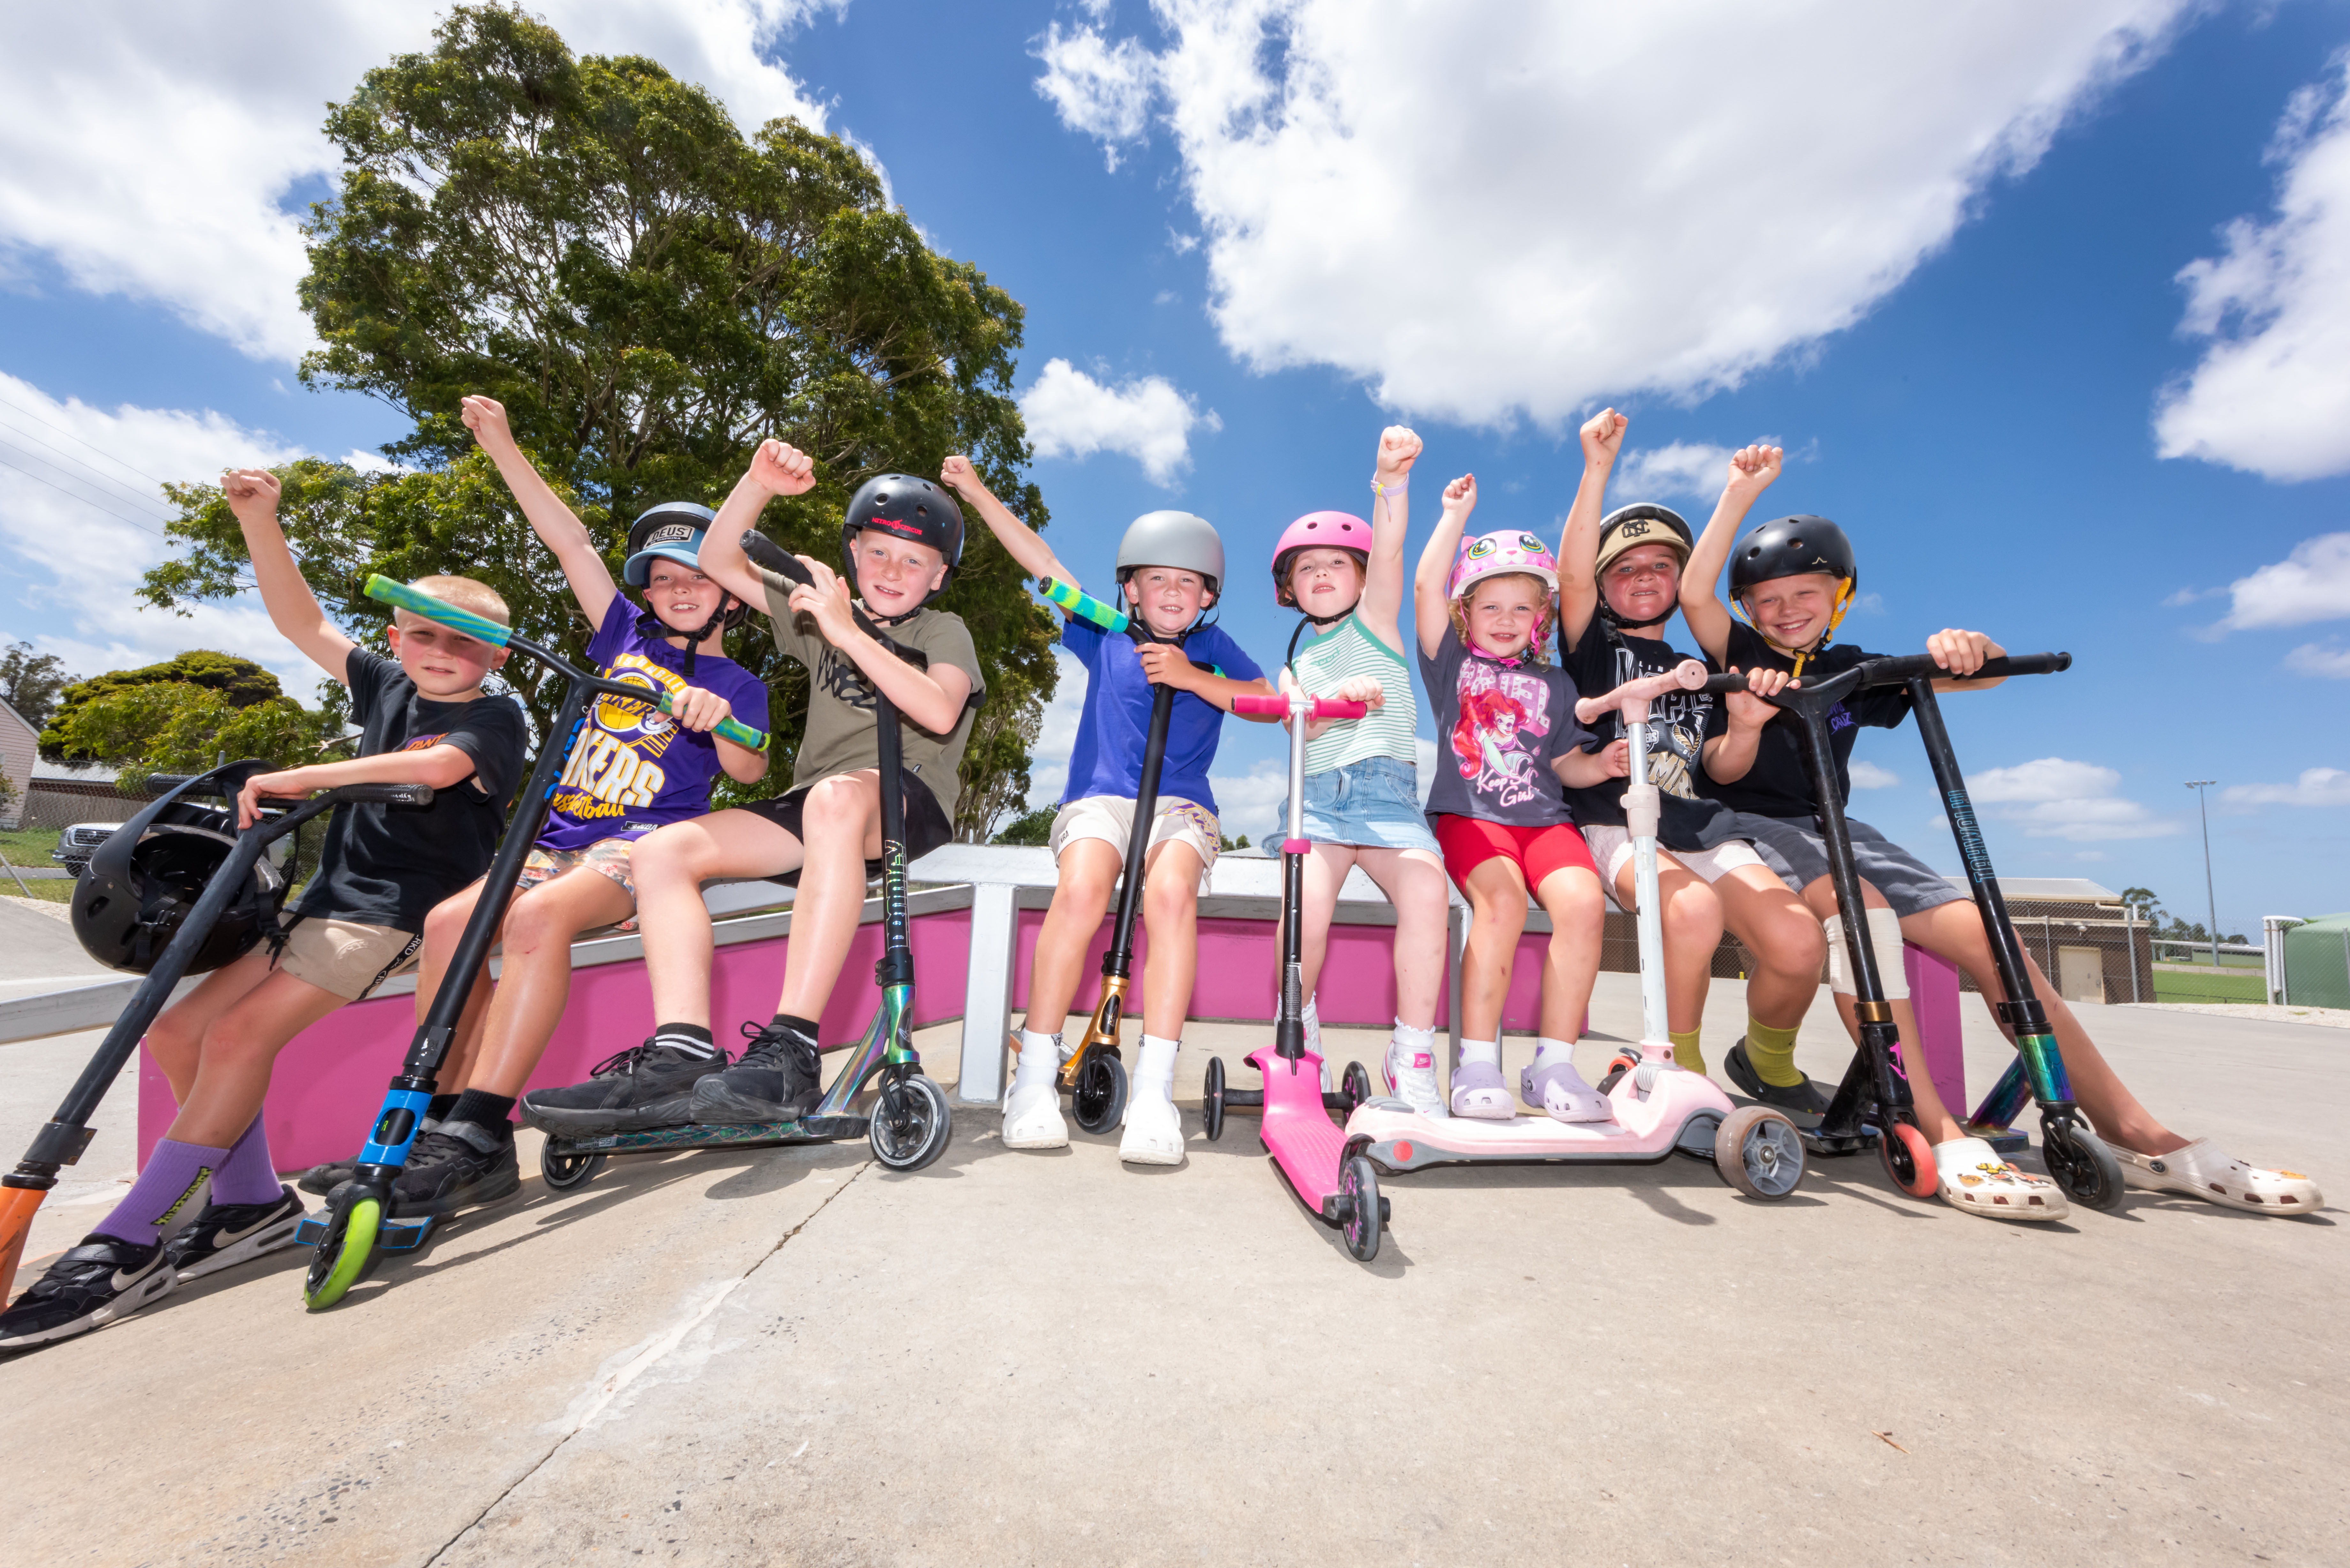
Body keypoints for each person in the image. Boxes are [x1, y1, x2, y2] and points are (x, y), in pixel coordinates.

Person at [0, 469, 527, 1349]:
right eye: (424, 635)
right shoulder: (389, 690)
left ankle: (132, 1239)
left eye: (466, 645)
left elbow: (434, 771)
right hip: (320, 905)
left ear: (496, 660)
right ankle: (247, 1204)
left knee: (242, 1038)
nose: (443, 653)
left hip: (393, 915)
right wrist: (259, 518)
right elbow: (300, 622)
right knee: (176, 1033)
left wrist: (300, 776)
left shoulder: (494, 717)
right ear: (397, 639)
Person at [1681, 506, 2325, 1220]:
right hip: (1750, 822)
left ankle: (2139, 1134)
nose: (1785, 609)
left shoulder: (1850, 666)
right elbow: (1694, 596)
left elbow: (1973, 677)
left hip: (1839, 822)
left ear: (1842, 593)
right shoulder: (1738, 651)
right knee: (1861, 921)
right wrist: (1738, 492)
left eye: (1805, 591)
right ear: (1747, 610)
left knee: (1995, 942)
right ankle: (1933, 1125)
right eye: (1767, 598)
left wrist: (1971, 649)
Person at [339, 396, 769, 1213]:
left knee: (536, 923)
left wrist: (720, 726)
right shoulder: (624, 642)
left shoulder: (735, 683)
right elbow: (567, 540)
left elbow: (748, 773)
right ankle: (442, 1119)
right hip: (556, 838)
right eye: (665, 578)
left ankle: (475, 1122)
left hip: (637, 846)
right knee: (445, 927)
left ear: (733, 596)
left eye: (699, 578)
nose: (679, 590)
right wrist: (501, 442)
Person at [524, 439, 982, 1130]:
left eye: (914, 559)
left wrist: (846, 629)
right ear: (852, 553)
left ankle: (793, 1042)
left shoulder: (941, 628)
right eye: (879, 550)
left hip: (901, 797)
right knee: (661, 851)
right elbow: (717, 562)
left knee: (833, 800)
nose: (893, 569)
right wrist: (757, 483)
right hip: (819, 804)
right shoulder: (814, 616)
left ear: (939, 576)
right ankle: (680, 1047)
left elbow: (939, 708)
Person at [942, 460, 1273, 1162]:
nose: (1173, 591)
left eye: (1189, 581)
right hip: (1100, 797)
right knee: (1085, 887)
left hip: (1181, 806)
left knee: (1171, 893)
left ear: (1207, 593)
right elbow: (1044, 565)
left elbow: (1268, 702)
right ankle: (1031, 1077)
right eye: (1158, 578)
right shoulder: (1103, 630)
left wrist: (1188, 675)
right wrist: (975, 493)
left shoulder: (1212, 647)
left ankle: (1155, 1089)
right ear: (1129, 586)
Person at [1554, 410, 1828, 1107]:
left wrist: (1740, 729)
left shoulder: (1698, 666)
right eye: (1624, 568)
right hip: (1616, 824)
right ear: (1602, 582)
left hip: (1700, 824)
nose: (1642, 577)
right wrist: (1596, 467)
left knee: (1798, 942)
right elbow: (1570, 576)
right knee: (1693, 911)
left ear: (1679, 579)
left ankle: (1765, 1059)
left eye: (1659, 566)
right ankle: (1676, 1063)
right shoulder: (1591, 648)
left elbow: (1723, 770)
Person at [1412, 470, 1628, 1121]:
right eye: (1489, 606)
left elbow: (1562, 763)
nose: (1505, 620)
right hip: (1470, 817)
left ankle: (1552, 1065)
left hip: (1543, 820)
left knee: (1586, 904)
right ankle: (1477, 1061)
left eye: (1521, 608)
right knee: (1501, 903)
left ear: (1541, 616)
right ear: (1463, 614)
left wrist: (1602, 762)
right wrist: (1453, 516)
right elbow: (1425, 586)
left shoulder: (1557, 682)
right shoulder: (1449, 662)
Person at [1269, 428, 1455, 1118]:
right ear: (1288, 587)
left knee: (1427, 894)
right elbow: (1303, 731)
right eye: (1306, 568)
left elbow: (1392, 546)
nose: (1321, 576)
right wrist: (1328, 705)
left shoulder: (1376, 621)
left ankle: (1410, 1053)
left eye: (1335, 564)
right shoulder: (1295, 664)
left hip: (1387, 798)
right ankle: (1301, 1031)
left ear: (1359, 574)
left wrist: (1389, 479)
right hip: (1316, 804)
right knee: (1304, 915)